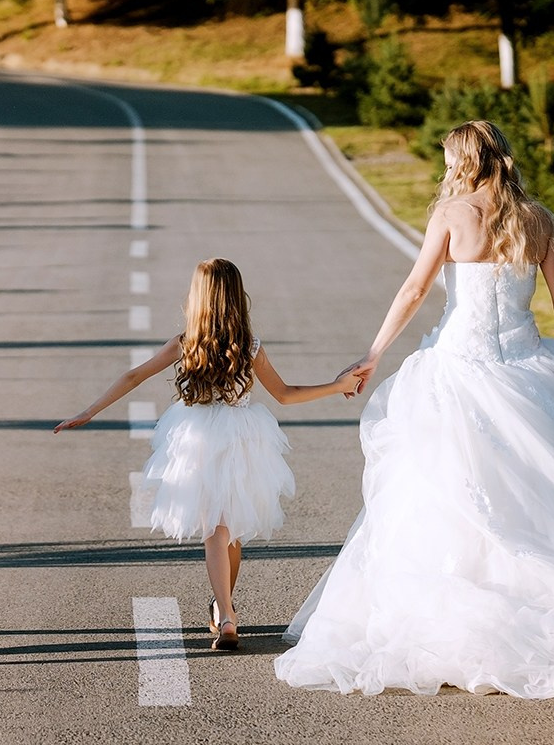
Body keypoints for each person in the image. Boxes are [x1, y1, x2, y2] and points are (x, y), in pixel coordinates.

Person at [274, 120, 554, 700]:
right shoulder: (538, 220)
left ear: (464, 162)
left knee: (446, 491)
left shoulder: (451, 216)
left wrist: (371, 356)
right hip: (525, 371)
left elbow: (415, 289)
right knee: (540, 494)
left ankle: (462, 616)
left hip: (456, 369)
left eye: (447, 161)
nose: (445, 170)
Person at [56, 258, 356, 650]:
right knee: (226, 531)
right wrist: (336, 386)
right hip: (243, 439)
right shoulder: (249, 347)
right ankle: (225, 611)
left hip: (196, 438)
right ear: (236, 297)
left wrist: (88, 412)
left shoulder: (186, 344)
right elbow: (285, 395)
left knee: (219, 531)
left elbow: (134, 376)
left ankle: (226, 613)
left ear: (198, 298)